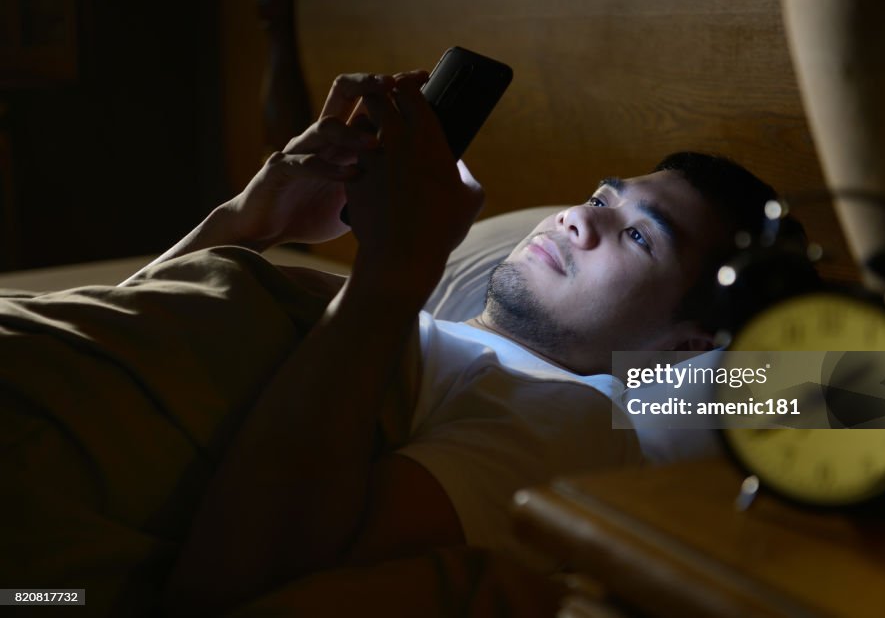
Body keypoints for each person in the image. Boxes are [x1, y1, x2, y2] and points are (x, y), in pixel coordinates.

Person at [1, 71, 782, 615]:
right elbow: (117, 341)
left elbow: (249, 584)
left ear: (683, 346)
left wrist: (391, 270)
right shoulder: (394, 318)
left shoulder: (570, 420)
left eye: (639, 236)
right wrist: (250, 219)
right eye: (601, 197)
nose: (581, 217)